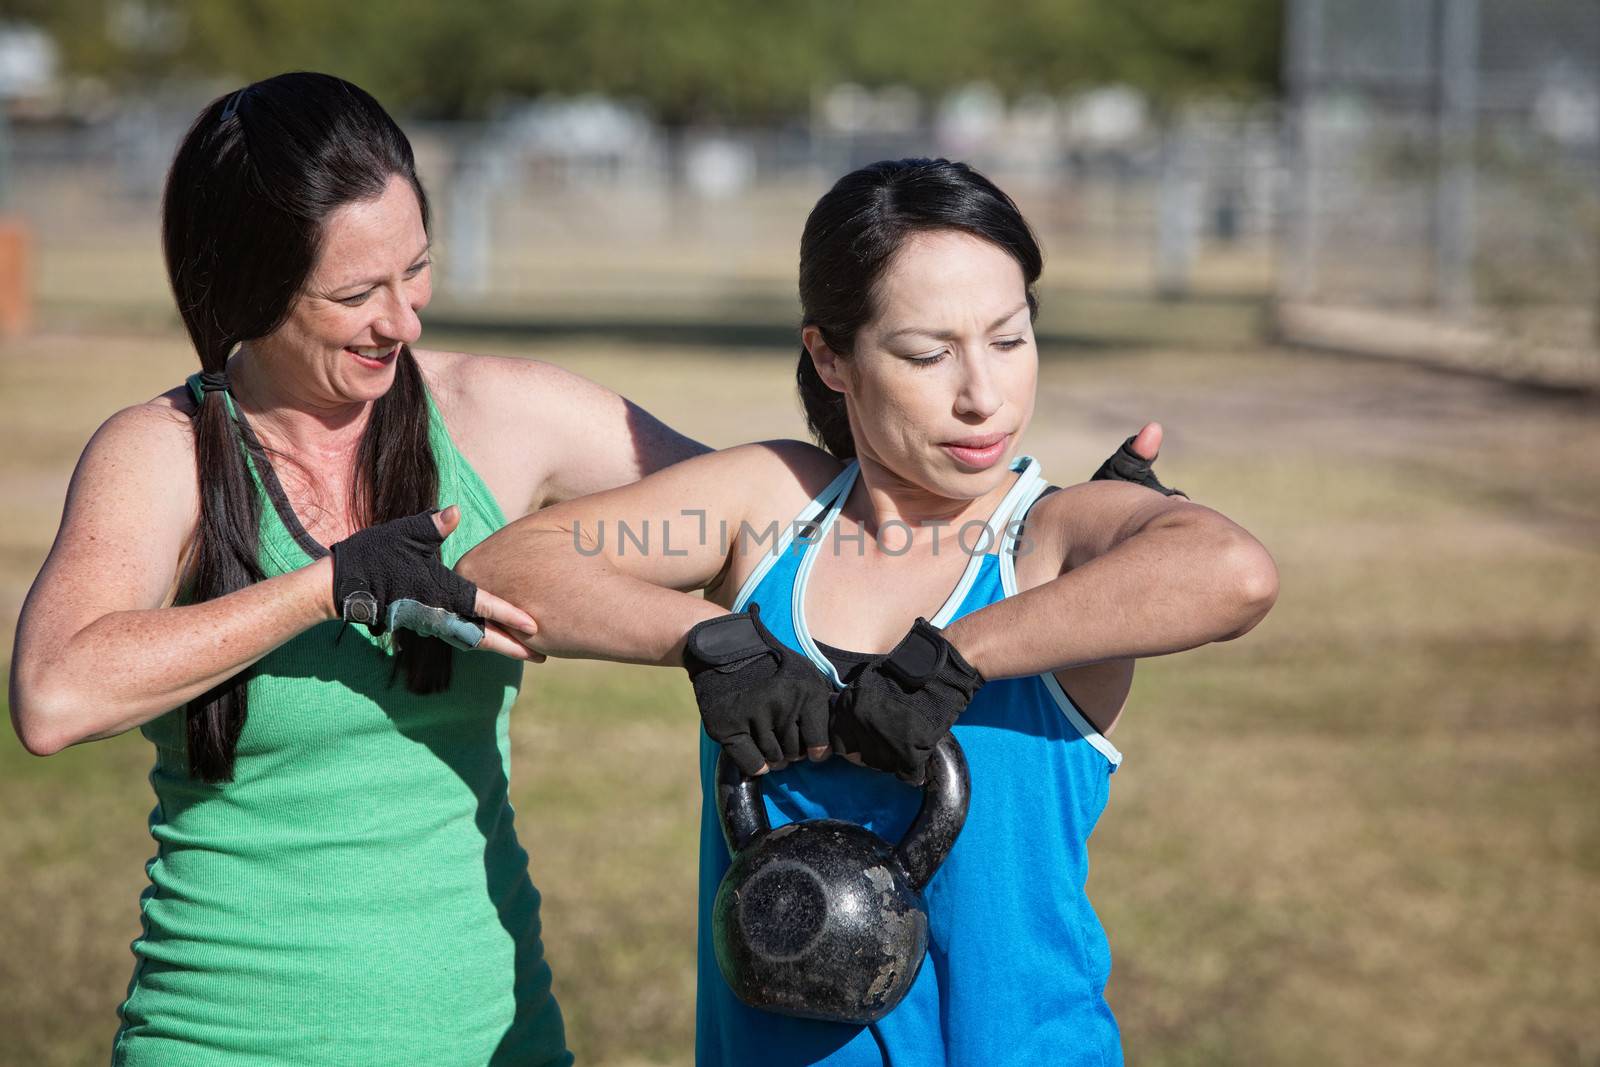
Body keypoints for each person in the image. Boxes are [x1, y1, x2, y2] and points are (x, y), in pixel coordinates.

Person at [458, 158, 1277, 1066]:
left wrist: (955, 657)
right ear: (830, 357)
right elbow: (508, 565)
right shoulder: (772, 506)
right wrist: (712, 642)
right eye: (929, 355)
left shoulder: (1046, 542)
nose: (983, 395)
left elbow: (1233, 572)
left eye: (1009, 341)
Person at [6, 73, 713, 1066]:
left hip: (498, 1035)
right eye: (354, 295)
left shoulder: (497, 416)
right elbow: (54, 694)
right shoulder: (162, 450)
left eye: (415, 270)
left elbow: (755, 506)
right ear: (253, 288)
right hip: (224, 1040)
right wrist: (328, 584)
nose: (403, 321)